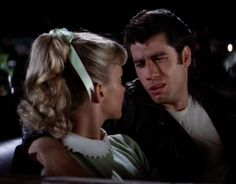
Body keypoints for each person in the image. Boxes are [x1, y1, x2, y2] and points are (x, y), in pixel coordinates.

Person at [105, 8, 236, 182]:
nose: (150, 73)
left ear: (186, 57)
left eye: (159, 58)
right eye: (140, 63)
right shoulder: (124, 111)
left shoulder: (221, 104)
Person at [13, 28, 156, 180]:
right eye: (120, 80)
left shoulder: (129, 147)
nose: (125, 88)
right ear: (98, 91)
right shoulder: (46, 164)